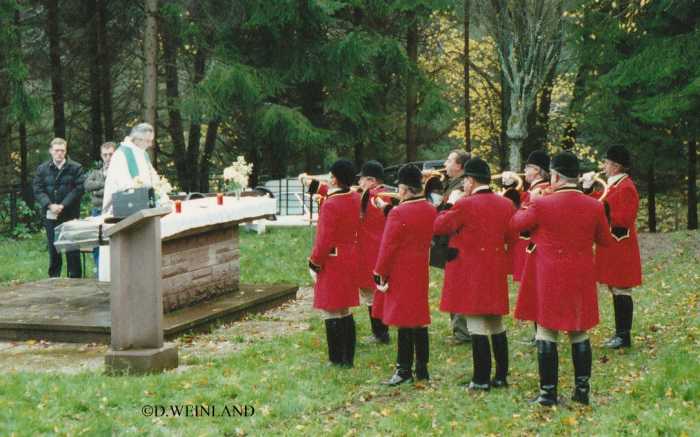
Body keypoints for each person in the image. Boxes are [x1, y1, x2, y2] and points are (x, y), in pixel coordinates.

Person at [511, 151, 613, 406]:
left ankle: (548, 393)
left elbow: (515, 225)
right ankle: (582, 391)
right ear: (577, 177)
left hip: (549, 275)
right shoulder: (595, 204)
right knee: (579, 332)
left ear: (554, 175)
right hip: (581, 275)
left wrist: (530, 201)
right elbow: (605, 241)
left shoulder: (542, 203)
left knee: (547, 331)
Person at [434, 157, 516, 391]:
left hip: (470, 270)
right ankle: (500, 376)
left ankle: (480, 379)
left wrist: (450, 204)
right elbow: (511, 237)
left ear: (470, 180)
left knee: (476, 323)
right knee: (496, 321)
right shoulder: (505, 204)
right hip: (495, 268)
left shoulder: (465, 204)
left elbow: (439, 227)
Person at [373, 165, 437, 385]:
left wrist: (380, 272)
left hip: (400, 269)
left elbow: (388, 245)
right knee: (418, 318)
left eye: (399, 188)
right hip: (420, 267)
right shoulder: (429, 208)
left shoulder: (399, 211)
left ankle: (403, 370)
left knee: (403, 320)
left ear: (406, 188)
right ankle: (422, 368)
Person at [582, 145, 642, 349]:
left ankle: (623, 336)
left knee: (621, 289)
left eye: (607, 163)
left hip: (621, 247)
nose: (604, 166)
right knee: (616, 289)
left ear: (616, 166)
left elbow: (624, 218)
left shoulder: (626, 187)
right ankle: (620, 334)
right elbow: (593, 204)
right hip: (612, 246)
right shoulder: (614, 186)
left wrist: (603, 210)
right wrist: (588, 189)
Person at [308, 159, 361, 367]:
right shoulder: (354, 197)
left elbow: (324, 239)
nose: (328, 179)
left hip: (333, 258)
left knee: (331, 309)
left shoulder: (331, 204)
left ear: (336, 179)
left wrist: (315, 262)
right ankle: (348, 357)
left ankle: (336, 358)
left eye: (331, 176)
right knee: (345, 309)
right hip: (350, 255)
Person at [432, 149, 471, 345]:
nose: (445, 164)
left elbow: (450, 216)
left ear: (459, 166)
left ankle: (462, 333)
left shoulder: (460, 188)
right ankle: (461, 331)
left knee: (458, 288)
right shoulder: (453, 184)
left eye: (449, 160)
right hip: (451, 242)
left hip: (456, 244)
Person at [32, 137, 85, 278]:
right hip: (50, 213)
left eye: (62, 150)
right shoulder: (42, 169)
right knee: (53, 246)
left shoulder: (76, 167)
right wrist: (49, 205)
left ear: (66, 151)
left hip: (70, 213)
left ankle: (75, 277)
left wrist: (62, 205)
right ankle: (54, 277)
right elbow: (38, 189)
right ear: (51, 151)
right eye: (56, 150)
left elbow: (79, 189)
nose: (59, 153)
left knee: (72, 246)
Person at [357, 161, 391, 344]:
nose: (360, 183)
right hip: (377, 248)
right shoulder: (382, 195)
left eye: (362, 179)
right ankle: (380, 331)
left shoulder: (373, 196)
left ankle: (380, 333)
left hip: (371, 249)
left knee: (373, 293)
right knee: (374, 292)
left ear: (371, 180)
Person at [102, 123, 160, 215]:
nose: (150, 144)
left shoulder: (143, 154)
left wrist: (159, 191)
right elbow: (124, 184)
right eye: (148, 141)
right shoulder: (121, 154)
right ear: (137, 139)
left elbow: (153, 176)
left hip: (143, 205)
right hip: (123, 206)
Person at [84, 142, 116, 276]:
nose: (108, 157)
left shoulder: (119, 172)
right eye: (105, 155)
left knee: (113, 243)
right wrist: (104, 184)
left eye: (110, 154)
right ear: (101, 155)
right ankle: (100, 272)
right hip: (97, 211)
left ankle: (113, 272)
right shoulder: (96, 172)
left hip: (113, 212)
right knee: (98, 243)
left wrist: (97, 191)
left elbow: (116, 190)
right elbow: (87, 185)